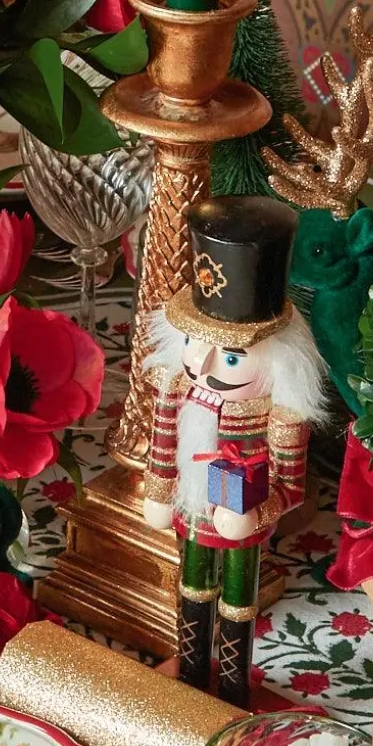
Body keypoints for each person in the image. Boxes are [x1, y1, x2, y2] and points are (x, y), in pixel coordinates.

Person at [143, 198, 330, 704]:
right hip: (192, 513)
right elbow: (164, 446)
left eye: (230, 357)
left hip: (241, 526)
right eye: (195, 343)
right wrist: (159, 491)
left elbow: (291, 487)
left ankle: (231, 689)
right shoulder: (175, 390)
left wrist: (255, 513)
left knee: (237, 602)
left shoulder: (281, 417)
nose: (202, 365)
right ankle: (189, 676)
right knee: (192, 588)